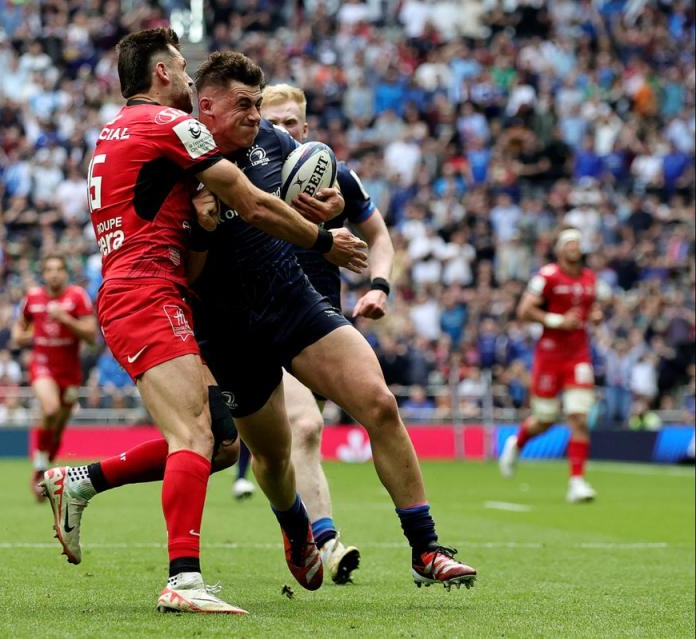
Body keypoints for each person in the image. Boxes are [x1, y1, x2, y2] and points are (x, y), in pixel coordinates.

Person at [36, 29, 365, 615]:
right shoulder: (169, 125)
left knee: (218, 444)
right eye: (184, 69)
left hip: (147, 289)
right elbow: (256, 203)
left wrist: (206, 226)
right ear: (161, 74)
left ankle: (80, 481)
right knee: (195, 435)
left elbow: (180, 227)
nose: (191, 80)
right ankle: (182, 580)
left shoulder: (114, 132)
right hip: (146, 292)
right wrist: (323, 240)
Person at [186, 52, 475, 592]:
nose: (257, 117)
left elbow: (327, 191)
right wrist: (202, 228)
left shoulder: (274, 142)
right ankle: (297, 528)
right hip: (229, 329)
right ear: (208, 107)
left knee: (379, 403)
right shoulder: (182, 161)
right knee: (272, 458)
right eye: (245, 106)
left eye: (259, 103)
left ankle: (426, 548)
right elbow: (192, 270)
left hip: (292, 300)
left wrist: (330, 202)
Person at [228, 83, 397, 585]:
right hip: (256, 324)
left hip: (318, 324)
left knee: (290, 442)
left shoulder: (337, 179)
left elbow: (380, 237)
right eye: (272, 121)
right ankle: (323, 540)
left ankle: (310, 535)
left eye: (291, 123)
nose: (282, 131)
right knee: (301, 430)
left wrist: (380, 287)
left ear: (306, 129)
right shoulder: (242, 176)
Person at [499, 228, 608, 502]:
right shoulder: (546, 276)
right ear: (560, 250)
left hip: (579, 355)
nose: (575, 247)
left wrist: (594, 316)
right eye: (570, 243)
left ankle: (577, 481)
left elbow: (591, 311)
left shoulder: (590, 279)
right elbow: (524, 310)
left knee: (579, 417)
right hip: (549, 355)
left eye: (578, 243)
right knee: (546, 419)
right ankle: (518, 442)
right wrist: (557, 321)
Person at [12, 253, 96, 501]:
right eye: (49, 269)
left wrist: (65, 319)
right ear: (44, 274)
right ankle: (39, 470)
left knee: (58, 429)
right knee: (50, 409)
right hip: (43, 365)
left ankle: (44, 467)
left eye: (59, 269)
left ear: (65, 273)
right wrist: (22, 336)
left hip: (70, 371)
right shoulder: (33, 298)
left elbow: (91, 335)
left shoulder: (77, 297)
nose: (54, 273)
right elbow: (20, 328)